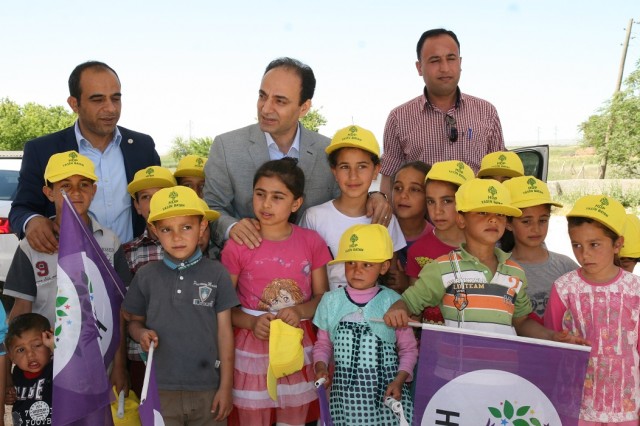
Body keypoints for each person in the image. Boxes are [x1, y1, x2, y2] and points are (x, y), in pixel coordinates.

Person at [203, 57, 390, 252]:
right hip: (245, 263)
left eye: (280, 101)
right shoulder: (226, 147)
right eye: (262, 96)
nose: (265, 108)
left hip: (315, 266)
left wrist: (375, 196)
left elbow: (346, 198)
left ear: (304, 107)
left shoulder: (328, 151)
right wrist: (232, 227)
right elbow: (211, 207)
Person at [384, 178, 587, 344]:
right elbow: (408, 302)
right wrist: (398, 309)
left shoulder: (515, 272)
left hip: (501, 372)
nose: (493, 219)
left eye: (500, 214)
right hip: (456, 374)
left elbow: (521, 322)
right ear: (461, 219)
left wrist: (551, 336)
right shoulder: (442, 268)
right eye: (482, 212)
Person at [3, 151, 125, 395]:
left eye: (84, 184)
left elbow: (118, 309)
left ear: (94, 190)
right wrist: (6, 373)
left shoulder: (110, 242)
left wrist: (120, 367)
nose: (76, 192)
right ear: (49, 192)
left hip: (100, 361)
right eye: (65, 186)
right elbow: (19, 313)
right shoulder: (32, 246)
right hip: (48, 366)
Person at [220, 158, 330, 426]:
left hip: (297, 345)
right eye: (260, 194)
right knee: (253, 415)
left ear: (296, 203)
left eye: (277, 197)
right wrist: (251, 323)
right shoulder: (237, 246)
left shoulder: (311, 241)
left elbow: (323, 298)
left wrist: (299, 311)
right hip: (251, 349)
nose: (266, 204)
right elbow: (222, 307)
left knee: (293, 416)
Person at [9, 60, 160, 253]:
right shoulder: (43, 150)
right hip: (72, 266)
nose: (111, 108)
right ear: (74, 104)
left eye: (115, 98)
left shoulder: (142, 147)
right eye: (98, 100)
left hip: (136, 263)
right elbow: (21, 209)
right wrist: (32, 221)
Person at [123, 186, 238, 425]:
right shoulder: (146, 275)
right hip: (160, 389)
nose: (177, 237)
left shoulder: (217, 273)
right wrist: (141, 333)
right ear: (154, 230)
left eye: (186, 227)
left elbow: (225, 333)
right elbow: (133, 322)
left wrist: (226, 386)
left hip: (208, 388)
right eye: (167, 229)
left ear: (202, 227)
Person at [545, 195, 639, 425]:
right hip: (575, 405)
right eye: (576, 245)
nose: (584, 254)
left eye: (594, 244)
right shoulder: (564, 288)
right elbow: (551, 341)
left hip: (625, 406)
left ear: (617, 244)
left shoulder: (635, 289)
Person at [380, 28, 505, 197]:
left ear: (460, 62)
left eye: (451, 59)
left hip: (476, 212)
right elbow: (389, 179)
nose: (445, 68)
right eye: (435, 60)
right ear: (419, 67)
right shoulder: (399, 118)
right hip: (423, 214)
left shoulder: (487, 112)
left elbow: (500, 175)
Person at [313, 224, 418, 425]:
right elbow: (323, 345)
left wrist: (399, 380)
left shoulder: (393, 302)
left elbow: (408, 349)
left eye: (367, 264)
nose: (357, 270)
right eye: (351, 262)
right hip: (343, 398)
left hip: (386, 394)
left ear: (384, 267)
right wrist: (320, 367)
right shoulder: (330, 301)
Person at [299, 125, 406, 291]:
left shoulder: (384, 217)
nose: (353, 176)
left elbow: (391, 275)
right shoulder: (314, 217)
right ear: (334, 171)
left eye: (362, 166)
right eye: (344, 167)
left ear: (376, 170)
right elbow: (302, 272)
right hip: (325, 305)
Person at [113, 165, 177, 398]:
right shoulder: (128, 252)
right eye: (146, 197)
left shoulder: (196, 246)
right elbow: (122, 312)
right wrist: (120, 366)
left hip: (188, 357)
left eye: (160, 194)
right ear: (137, 206)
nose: (153, 203)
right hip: (142, 357)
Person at [405, 160, 474, 324]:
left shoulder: (482, 247)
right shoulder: (418, 251)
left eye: (447, 201)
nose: (437, 211)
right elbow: (414, 309)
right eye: (431, 201)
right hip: (432, 338)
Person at [503, 176, 577, 322]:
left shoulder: (566, 267)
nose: (536, 229)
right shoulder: (501, 268)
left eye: (543, 220)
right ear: (508, 223)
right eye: (526, 221)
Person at [5, 313, 53, 426]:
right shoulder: (17, 373)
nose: (30, 355)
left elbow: (75, 375)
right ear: (11, 357)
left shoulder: (55, 369)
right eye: (21, 350)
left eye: (37, 345)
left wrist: (55, 347)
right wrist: (9, 397)